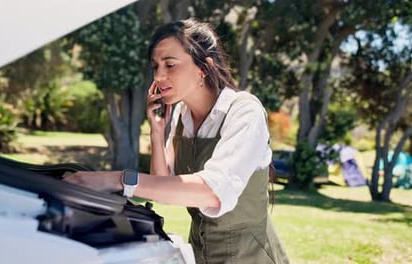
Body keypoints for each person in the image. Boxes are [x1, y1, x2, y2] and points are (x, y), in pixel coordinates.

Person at [65, 18, 288, 264]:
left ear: (203, 68)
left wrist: (115, 179)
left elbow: (212, 192)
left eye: (170, 65)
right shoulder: (181, 114)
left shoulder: (245, 111)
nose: (159, 76)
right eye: (156, 66)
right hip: (202, 255)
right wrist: (157, 132)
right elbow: (163, 187)